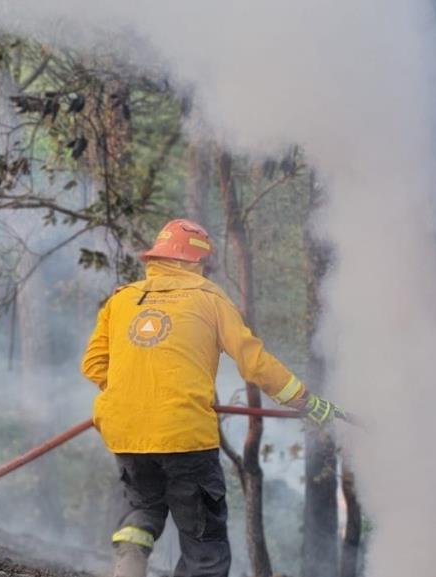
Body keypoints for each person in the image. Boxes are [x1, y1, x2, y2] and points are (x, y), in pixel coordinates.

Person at [80, 218, 340, 577]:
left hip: (125, 433)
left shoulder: (121, 300)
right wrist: (305, 400)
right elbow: (255, 363)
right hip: (185, 436)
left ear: (159, 257)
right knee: (204, 542)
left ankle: (128, 561)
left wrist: (135, 390)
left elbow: (93, 365)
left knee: (142, 512)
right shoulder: (209, 299)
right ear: (192, 262)